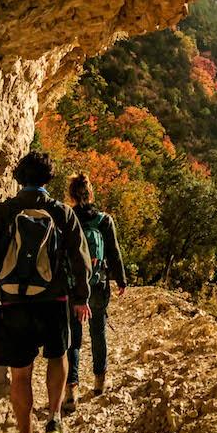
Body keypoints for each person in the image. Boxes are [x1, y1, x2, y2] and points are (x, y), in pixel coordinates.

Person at [0, 151, 91, 433]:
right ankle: (53, 420)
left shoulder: (3, 211)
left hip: (13, 303)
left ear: (20, 177)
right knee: (57, 356)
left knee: (21, 374)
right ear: (49, 179)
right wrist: (81, 297)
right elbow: (81, 260)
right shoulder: (62, 212)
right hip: (53, 301)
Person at [63, 172, 127, 412]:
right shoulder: (104, 220)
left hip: (73, 287)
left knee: (74, 337)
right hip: (98, 285)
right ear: (90, 193)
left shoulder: (68, 219)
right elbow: (114, 252)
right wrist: (121, 280)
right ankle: (99, 383)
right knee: (98, 332)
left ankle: (71, 390)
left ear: (71, 194)